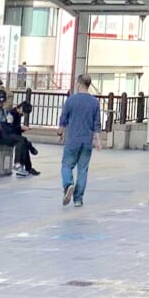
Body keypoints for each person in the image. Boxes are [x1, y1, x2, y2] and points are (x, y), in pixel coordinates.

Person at [59, 75, 101, 207]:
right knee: (82, 170)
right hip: (87, 141)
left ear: (79, 83)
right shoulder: (95, 102)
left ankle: (68, 184)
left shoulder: (71, 100)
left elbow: (64, 118)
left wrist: (61, 132)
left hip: (73, 139)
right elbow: (97, 124)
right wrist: (98, 141)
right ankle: (78, 199)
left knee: (67, 165)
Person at [0, 100, 40, 177]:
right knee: (22, 141)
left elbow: (16, 130)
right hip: (7, 135)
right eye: (23, 112)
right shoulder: (11, 114)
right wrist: (20, 128)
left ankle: (27, 167)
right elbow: (9, 128)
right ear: (21, 107)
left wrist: (22, 129)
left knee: (24, 143)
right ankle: (18, 163)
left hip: (14, 135)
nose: (23, 114)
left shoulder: (18, 115)